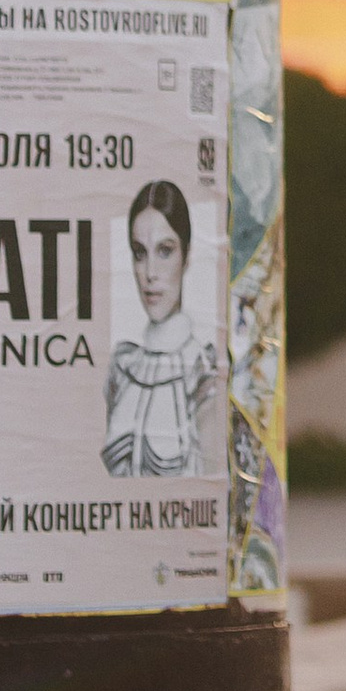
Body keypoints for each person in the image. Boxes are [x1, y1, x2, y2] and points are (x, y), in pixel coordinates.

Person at [102, 181, 219, 479]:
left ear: (187, 256)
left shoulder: (203, 371)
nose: (150, 273)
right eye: (139, 253)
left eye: (165, 251)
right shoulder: (122, 367)